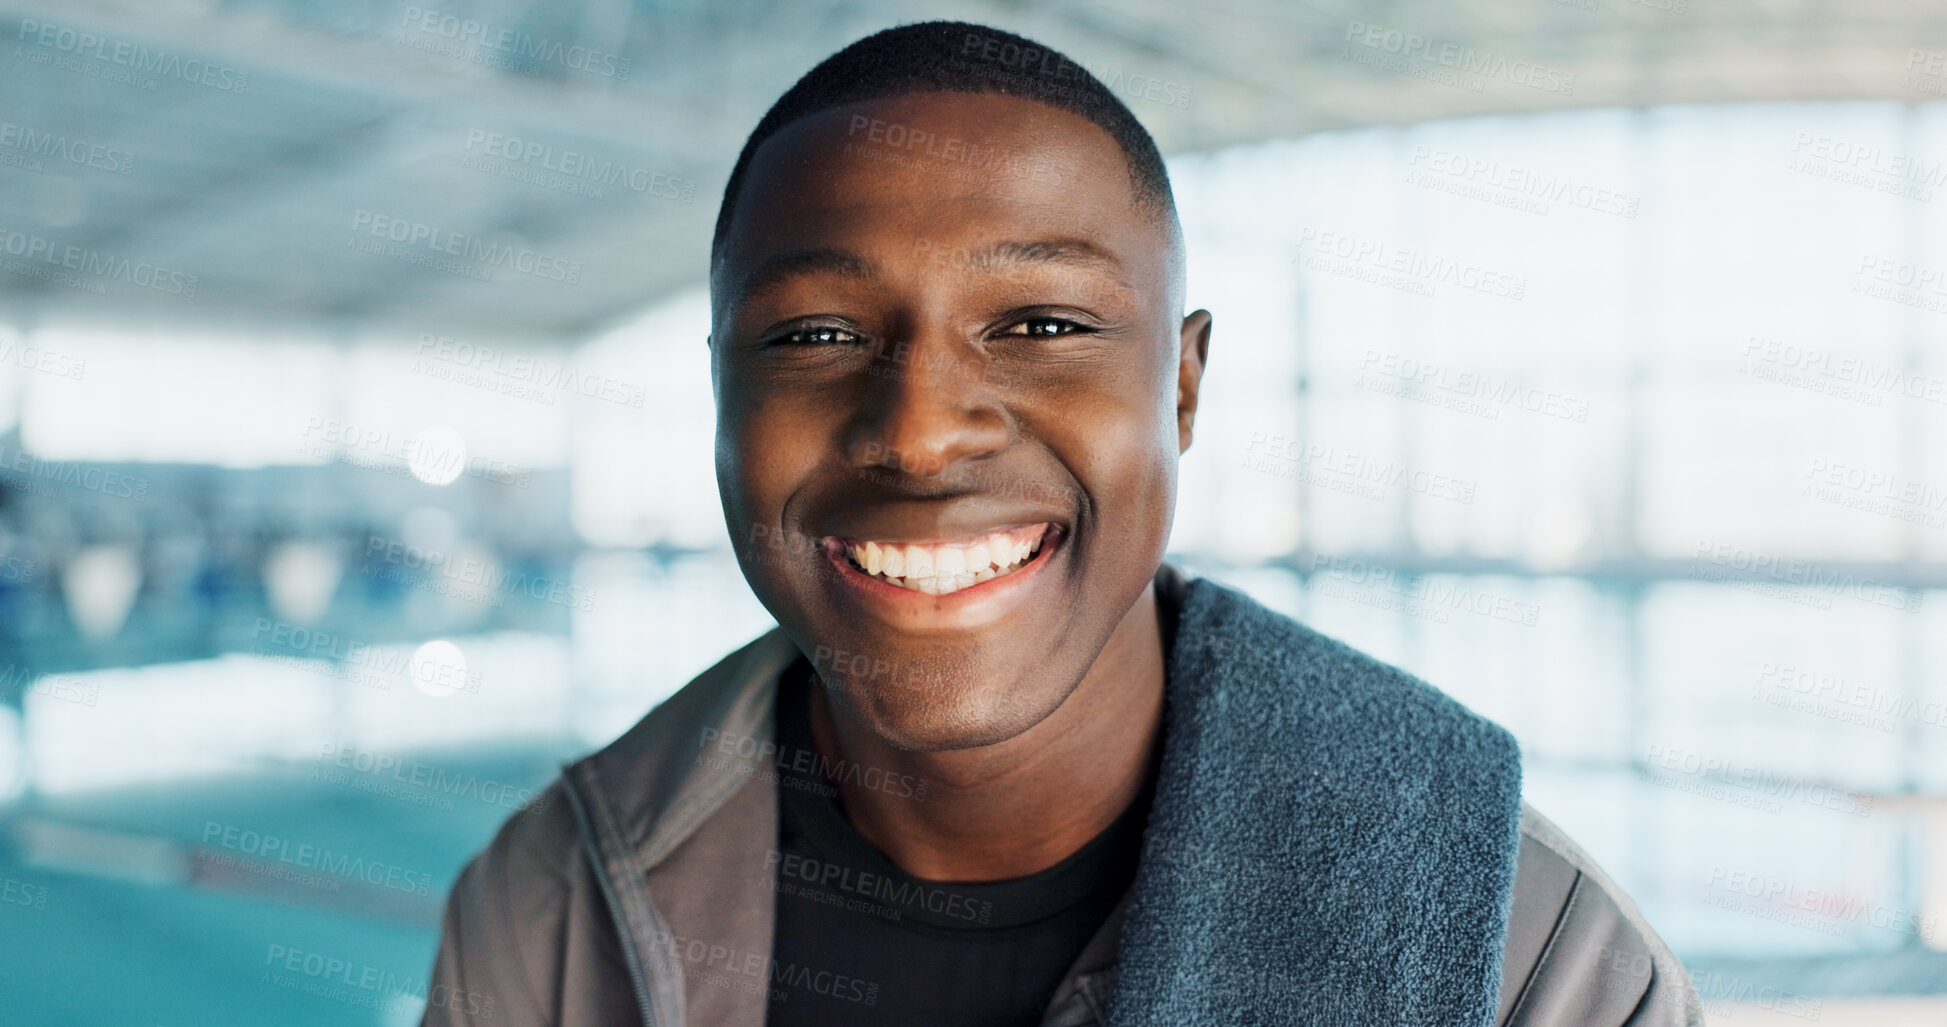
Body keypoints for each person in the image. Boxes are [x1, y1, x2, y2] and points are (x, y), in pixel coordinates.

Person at [425, 20, 1701, 1027]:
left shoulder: (1529, 956)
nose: (920, 433)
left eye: (1040, 327)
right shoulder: (549, 905)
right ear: (720, 388)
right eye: (816, 335)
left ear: (1184, 387)